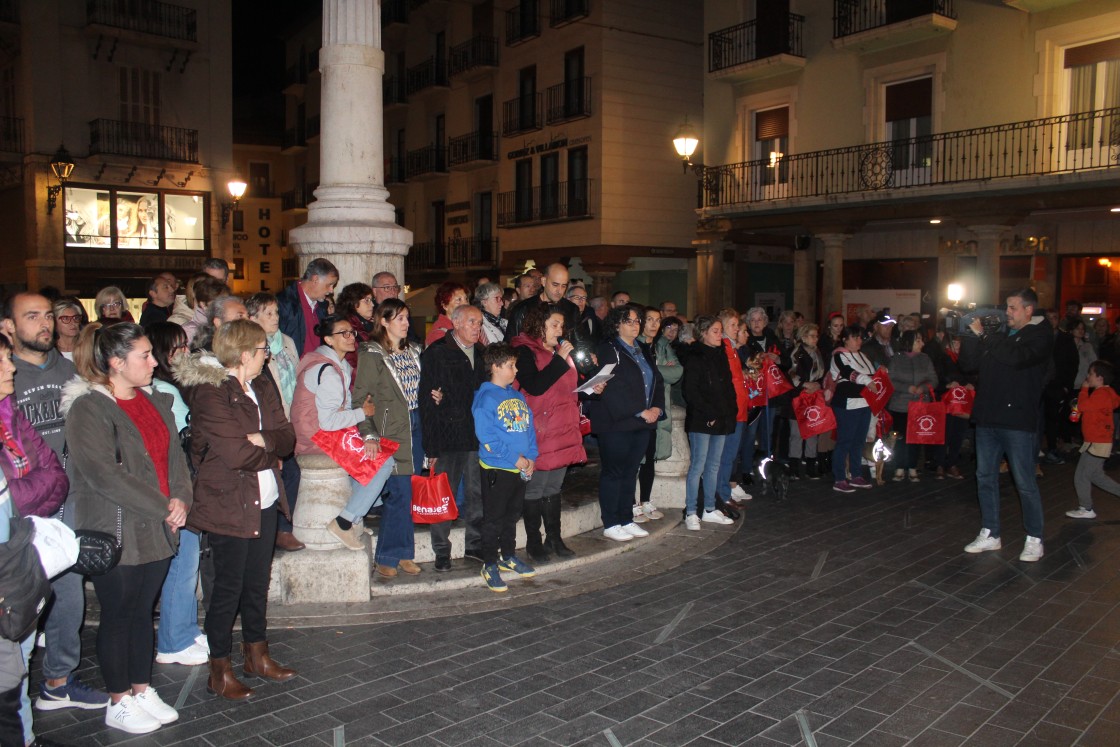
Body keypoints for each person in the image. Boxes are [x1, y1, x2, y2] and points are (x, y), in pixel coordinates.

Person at [63, 322, 192, 733]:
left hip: (157, 524)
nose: (154, 362)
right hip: (118, 527)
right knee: (118, 615)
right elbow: (103, 474)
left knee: (142, 614)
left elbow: (176, 457)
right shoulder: (90, 408)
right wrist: (164, 506)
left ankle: (141, 688)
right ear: (116, 363)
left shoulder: (153, 400)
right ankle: (117, 699)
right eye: (144, 356)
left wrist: (182, 499)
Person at [2, 293, 107, 718]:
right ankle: (15, 695)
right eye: (32, 317)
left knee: (69, 593)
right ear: (9, 325)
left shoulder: (70, 370)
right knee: (21, 605)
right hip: (20, 511)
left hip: (65, 497)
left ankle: (58, 681)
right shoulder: (9, 377)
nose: (45, 324)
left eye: (49, 315)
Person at [180, 319, 297, 700]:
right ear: (245, 353)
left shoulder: (262, 383)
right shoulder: (211, 392)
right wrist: (269, 452)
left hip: (263, 498)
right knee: (226, 589)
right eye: (264, 349)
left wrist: (263, 440)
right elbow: (234, 454)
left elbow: (288, 436)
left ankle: (257, 654)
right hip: (226, 501)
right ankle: (220, 669)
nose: (269, 355)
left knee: (256, 582)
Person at [0, 331, 69, 747]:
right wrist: (22, 493)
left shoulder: (10, 413)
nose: (11, 368)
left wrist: (18, 494)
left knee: (18, 666)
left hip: (18, 559)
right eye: (2, 361)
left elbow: (55, 474)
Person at [959, 288, 1053, 562]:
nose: (1006, 312)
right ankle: (991, 533)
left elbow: (1015, 358)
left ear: (1028, 310)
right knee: (985, 477)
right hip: (988, 417)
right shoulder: (998, 334)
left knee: (1024, 482)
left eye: (1012, 307)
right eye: (1007, 307)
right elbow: (968, 364)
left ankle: (1034, 538)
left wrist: (985, 335)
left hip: (1017, 420)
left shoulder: (1040, 335)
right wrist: (970, 333)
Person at [289, 316, 387, 552]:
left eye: (352, 332)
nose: (351, 337)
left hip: (320, 433)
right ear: (328, 339)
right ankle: (344, 522)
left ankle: (354, 517)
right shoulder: (329, 371)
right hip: (316, 439)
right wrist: (362, 413)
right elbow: (329, 421)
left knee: (373, 449)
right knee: (384, 462)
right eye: (343, 333)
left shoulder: (332, 364)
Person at [146, 322, 209, 667]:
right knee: (181, 564)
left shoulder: (176, 385)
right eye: (176, 348)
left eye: (186, 345)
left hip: (184, 481)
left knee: (189, 560)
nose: (184, 353)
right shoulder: (159, 391)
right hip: (172, 487)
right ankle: (173, 640)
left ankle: (184, 627)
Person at [353, 299, 424, 579]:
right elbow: (361, 397)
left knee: (408, 493)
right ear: (383, 321)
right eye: (400, 318)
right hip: (390, 431)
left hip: (415, 426)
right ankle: (388, 555)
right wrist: (369, 433)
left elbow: (421, 388)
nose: (406, 323)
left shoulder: (414, 351)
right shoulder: (372, 353)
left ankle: (404, 553)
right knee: (398, 494)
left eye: (407, 317)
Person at [511, 305, 588, 561]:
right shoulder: (524, 351)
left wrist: (588, 389)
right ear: (539, 325)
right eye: (554, 324)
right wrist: (558, 360)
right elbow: (534, 386)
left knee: (554, 487)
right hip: (538, 430)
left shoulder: (558, 353)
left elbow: (565, 387)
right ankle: (535, 542)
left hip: (563, 428)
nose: (560, 330)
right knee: (534, 489)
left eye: (561, 325)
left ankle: (554, 538)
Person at [583, 304, 664, 542]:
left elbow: (656, 379)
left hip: (642, 421)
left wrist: (657, 407)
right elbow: (611, 388)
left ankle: (626, 518)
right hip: (616, 422)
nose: (635, 324)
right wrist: (641, 411)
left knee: (630, 472)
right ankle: (611, 522)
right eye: (629, 321)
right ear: (616, 324)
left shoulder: (642, 348)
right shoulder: (609, 349)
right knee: (614, 472)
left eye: (637, 320)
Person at [419, 305, 487, 569]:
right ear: (456, 323)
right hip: (448, 437)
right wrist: (431, 446)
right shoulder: (438, 353)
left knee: (477, 493)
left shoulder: (482, 354)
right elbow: (427, 401)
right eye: (472, 322)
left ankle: (475, 544)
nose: (476, 328)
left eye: (480, 323)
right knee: (443, 495)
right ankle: (441, 550)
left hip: (476, 435)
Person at [472, 343, 539, 592]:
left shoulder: (517, 396)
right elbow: (487, 437)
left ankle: (508, 556)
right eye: (510, 365)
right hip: (498, 469)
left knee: (512, 516)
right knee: (494, 519)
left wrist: (531, 457)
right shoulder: (486, 398)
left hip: (519, 468)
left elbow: (528, 429)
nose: (516, 370)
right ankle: (489, 562)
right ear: (495, 367)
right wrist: (514, 458)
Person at [246, 293, 303, 552]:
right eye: (268, 314)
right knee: (276, 472)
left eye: (276, 313)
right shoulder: (251, 348)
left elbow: (297, 376)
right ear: (253, 318)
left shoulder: (288, 342)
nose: (275, 318)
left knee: (292, 471)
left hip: (291, 416)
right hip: (270, 418)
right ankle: (275, 529)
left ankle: (283, 528)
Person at [682, 316, 736, 530]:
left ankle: (710, 509)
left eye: (720, 330)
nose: (719, 335)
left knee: (714, 465)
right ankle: (692, 511)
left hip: (721, 416)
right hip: (702, 419)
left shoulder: (721, 355)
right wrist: (709, 413)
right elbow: (691, 391)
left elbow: (727, 386)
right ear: (703, 333)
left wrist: (729, 411)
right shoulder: (695, 357)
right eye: (715, 331)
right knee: (698, 465)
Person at [1067, 360, 1120, 520]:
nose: (1088, 376)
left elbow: (1082, 406)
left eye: (1091, 373)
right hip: (1096, 440)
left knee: (1082, 475)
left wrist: (1083, 389)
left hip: (1097, 441)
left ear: (1100, 378)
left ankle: (1086, 508)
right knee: (1097, 476)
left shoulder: (1101, 394)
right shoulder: (1106, 393)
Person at [635, 306, 674, 520]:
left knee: (650, 458)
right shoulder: (636, 346)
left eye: (657, 320)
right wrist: (660, 369)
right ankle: (632, 504)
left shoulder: (661, 346)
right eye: (649, 319)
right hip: (639, 410)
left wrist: (659, 370)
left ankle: (646, 500)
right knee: (635, 460)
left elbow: (676, 371)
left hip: (656, 408)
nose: (653, 324)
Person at [829, 325, 878, 493]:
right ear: (845, 339)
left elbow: (873, 375)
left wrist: (881, 373)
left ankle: (856, 474)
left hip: (865, 403)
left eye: (860, 338)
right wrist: (867, 381)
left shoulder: (863, 355)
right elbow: (848, 372)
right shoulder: (838, 355)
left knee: (858, 441)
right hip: (847, 404)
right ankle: (840, 478)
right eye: (855, 337)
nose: (859, 341)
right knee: (845, 441)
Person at [886, 329, 939, 483]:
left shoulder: (925, 358)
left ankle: (913, 466)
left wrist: (923, 388)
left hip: (920, 403)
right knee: (901, 438)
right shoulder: (897, 358)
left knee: (917, 437)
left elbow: (933, 379)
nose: (922, 343)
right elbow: (891, 380)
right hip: (901, 404)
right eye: (918, 340)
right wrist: (907, 388)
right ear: (909, 342)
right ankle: (900, 466)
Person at [277, 258, 338, 356]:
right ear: (315, 280)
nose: (331, 291)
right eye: (330, 285)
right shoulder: (284, 304)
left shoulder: (322, 306)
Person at [789, 323, 826, 479]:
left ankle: (811, 465)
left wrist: (818, 384)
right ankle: (794, 467)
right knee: (797, 433)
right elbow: (791, 373)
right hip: (799, 396)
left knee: (813, 430)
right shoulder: (797, 353)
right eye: (812, 336)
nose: (815, 339)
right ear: (804, 337)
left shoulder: (817, 352)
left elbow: (822, 373)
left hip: (814, 395)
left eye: (816, 336)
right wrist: (805, 384)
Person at [335, 283, 377, 370]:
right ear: (354, 302)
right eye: (367, 300)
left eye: (372, 300)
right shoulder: (347, 329)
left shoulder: (369, 324)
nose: (372, 304)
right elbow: (352, 363)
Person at [181, 275, 230, 345]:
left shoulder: (226, 325)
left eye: (226, 301)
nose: (223, 306)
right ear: (203, 304)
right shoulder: (190, 330)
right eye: (217, 302)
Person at [425, 281, 469, 346]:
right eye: (459, 300)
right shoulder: (439, 333)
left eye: (466, 299)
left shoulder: (467, 326)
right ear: (445, 306)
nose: (465, 303)